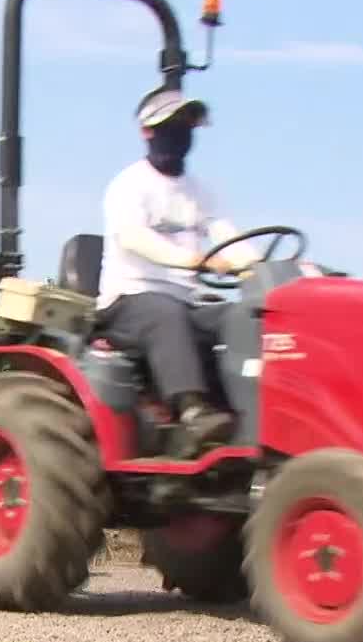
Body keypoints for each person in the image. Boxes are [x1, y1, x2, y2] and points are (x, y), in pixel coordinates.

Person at [95, 88, 264, 455]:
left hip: (185, 300)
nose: (180, 134)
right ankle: (193, 410)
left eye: (187, 126)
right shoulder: (129, 185)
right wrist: (194, 261)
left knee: (242, 316)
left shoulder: (199, 191)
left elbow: (227, 237)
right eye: (171, 126)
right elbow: (134, 238)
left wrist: (258, 269)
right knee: (166, 313)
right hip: (129, 300)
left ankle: (250, 416)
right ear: (147, 131)